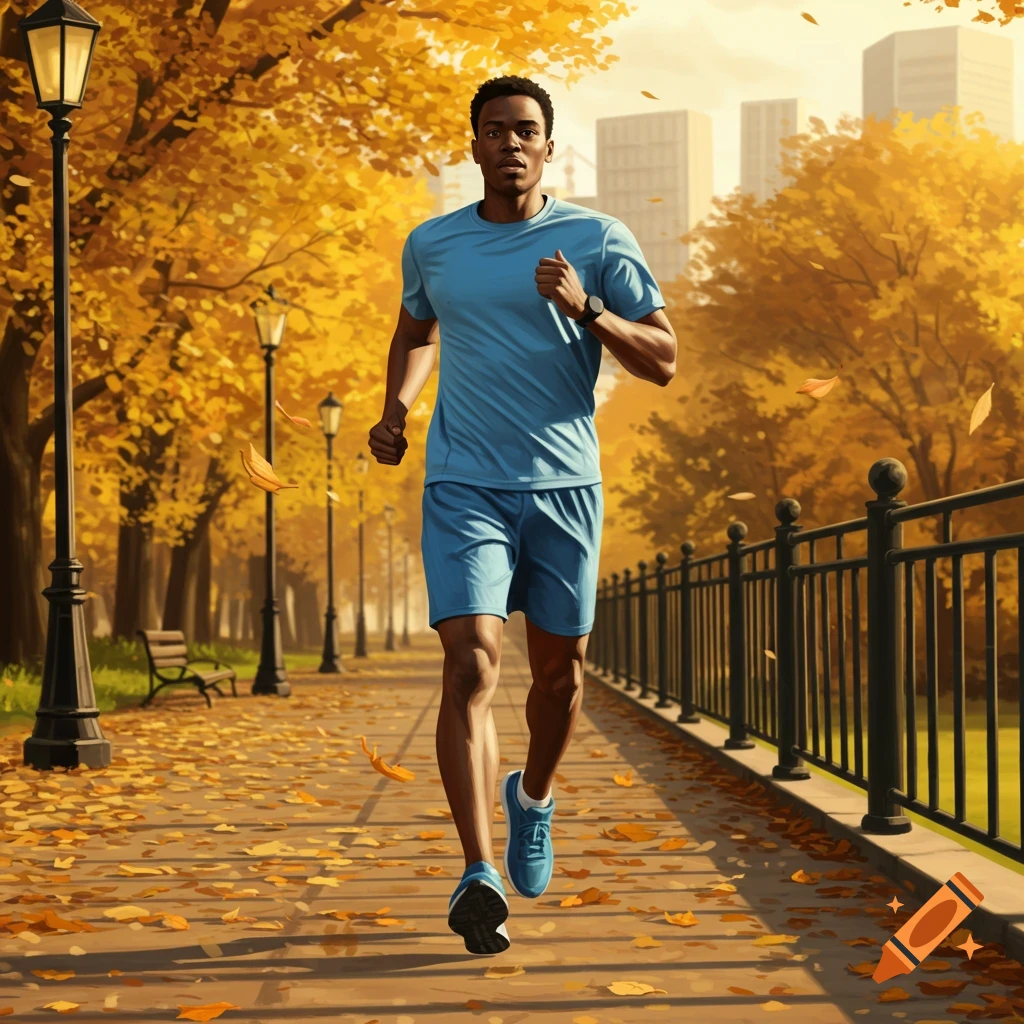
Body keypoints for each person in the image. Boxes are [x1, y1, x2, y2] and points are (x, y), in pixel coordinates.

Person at [368, 75, 676, 955]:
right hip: (463, 481)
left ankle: (531, 800)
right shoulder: (433, 244)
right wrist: (396, 408)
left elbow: (664, 358)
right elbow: (416, 333)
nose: (509, 143)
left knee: (560, 680)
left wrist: (588, 306)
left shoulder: (596, 239)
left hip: (564, 485)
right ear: (473, 147)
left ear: (549, 146)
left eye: (526, 131)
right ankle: (478, 871)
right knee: (469, 664)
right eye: (494, 131)